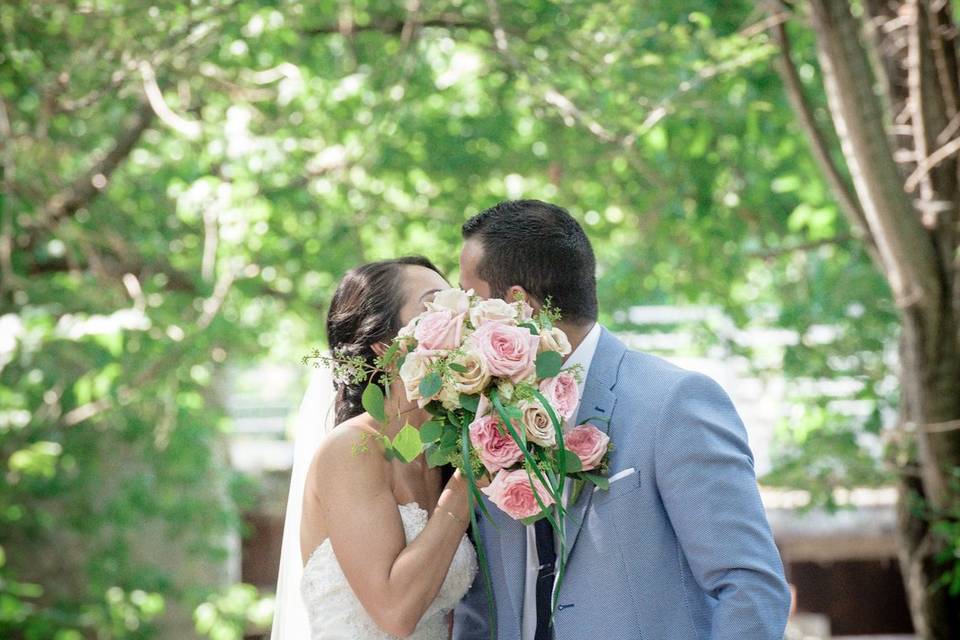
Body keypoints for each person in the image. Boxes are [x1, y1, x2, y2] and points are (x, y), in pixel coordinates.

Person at [452, 200, 791, 640]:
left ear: (519, 307)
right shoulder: (487, 419)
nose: (461, 321)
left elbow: (751, 588)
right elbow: (482, 606)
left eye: (471, 299)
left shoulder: (673, 403)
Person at [272, 256, 478, 640]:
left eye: (460, 303)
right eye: (435, 306)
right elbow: (395, 613)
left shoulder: (443, 451)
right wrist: (469, 483)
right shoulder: (352, 449)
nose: (461, 319)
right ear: (386, 347)